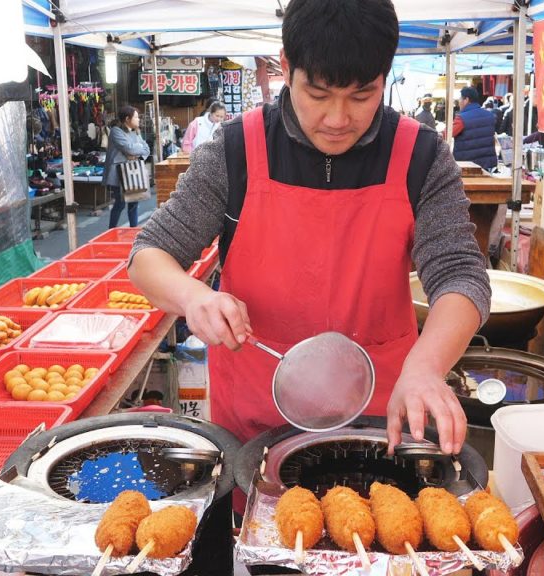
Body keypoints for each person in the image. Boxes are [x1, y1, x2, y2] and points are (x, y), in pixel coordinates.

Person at [128, 0, 490, 455]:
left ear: (385, 74)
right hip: (255, 424)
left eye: (362, 95)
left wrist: (426, 366)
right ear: (286, 66)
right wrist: (194, 297)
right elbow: (149, 254)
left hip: (383, 422)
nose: (338, 120)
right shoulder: (237, 151)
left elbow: (461, 275)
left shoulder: (421, 156)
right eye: (318, 94)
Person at [103, 106, 151, 228]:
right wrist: (137, 148)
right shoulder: (116, 131)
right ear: (127, 118)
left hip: (134, 171)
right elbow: (128, 148)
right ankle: (111, 229)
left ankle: (133, 231)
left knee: (134, 203)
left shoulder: (136, 132)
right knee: (120, 204)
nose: (138, 119)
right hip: (119, 173)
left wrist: (137, 156)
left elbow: (147, 149)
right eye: (136, 117)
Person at [451, 86, 498, 171]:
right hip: (487, 164)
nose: (459, 102)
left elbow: (448, 134)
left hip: (467, 165)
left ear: (466, 100)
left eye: (460, 99)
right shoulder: (490, 115)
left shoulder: (461, 118)